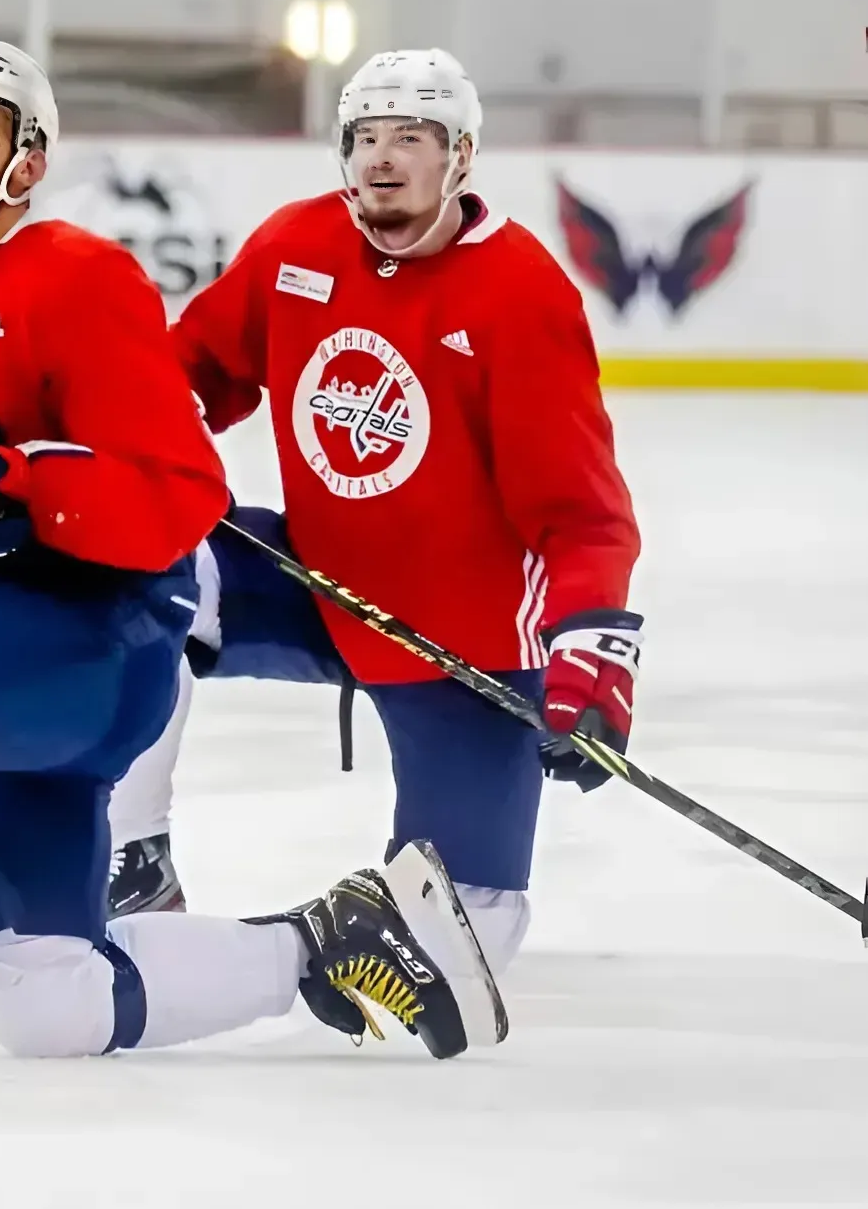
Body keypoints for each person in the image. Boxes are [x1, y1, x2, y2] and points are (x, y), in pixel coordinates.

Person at [0, 38, 509, 1073]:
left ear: (26, 163)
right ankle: (330, 940)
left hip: (95, 645)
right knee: (46, 1007)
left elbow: (179, 499)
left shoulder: (81, 280)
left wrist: (16, 488)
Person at [127, 47, 642, 979]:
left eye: (412, 137)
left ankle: (312, 950)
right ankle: (134, 856)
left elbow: (583, 509)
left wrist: (592, 643)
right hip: (315, 580)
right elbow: (191, 374)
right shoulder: (298, 246)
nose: (383, 158)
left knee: (463, 939)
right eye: (367, 136)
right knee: (127, 564)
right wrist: (112, 455)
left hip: (464, 638)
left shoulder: (520, 292)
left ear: (462, 157)